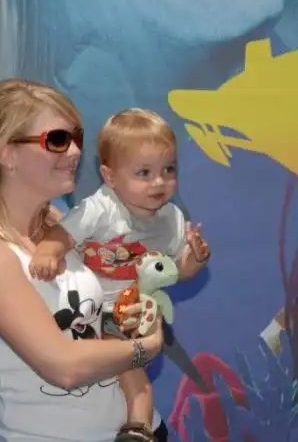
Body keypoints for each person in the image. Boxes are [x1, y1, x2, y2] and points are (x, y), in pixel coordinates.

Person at [0, 79, 166, 442]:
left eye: (76, 137)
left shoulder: (61, 225)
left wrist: (138, 423)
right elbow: (64, 367)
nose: (74, 151)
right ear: (6, 153)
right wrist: (146, 347)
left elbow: (106, 327)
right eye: (57, 140)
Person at [29, 109, 211, 440]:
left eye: (169, 170)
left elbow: (176, 272)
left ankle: (138, 429)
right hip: (85, 311)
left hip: (131, 314)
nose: (159, 181)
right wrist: (47, 252)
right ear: (110, 177)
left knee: (131, 370)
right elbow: (64, 233)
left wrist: (195, 259)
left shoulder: (171, 219)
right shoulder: (100, 208)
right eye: (144, 173)